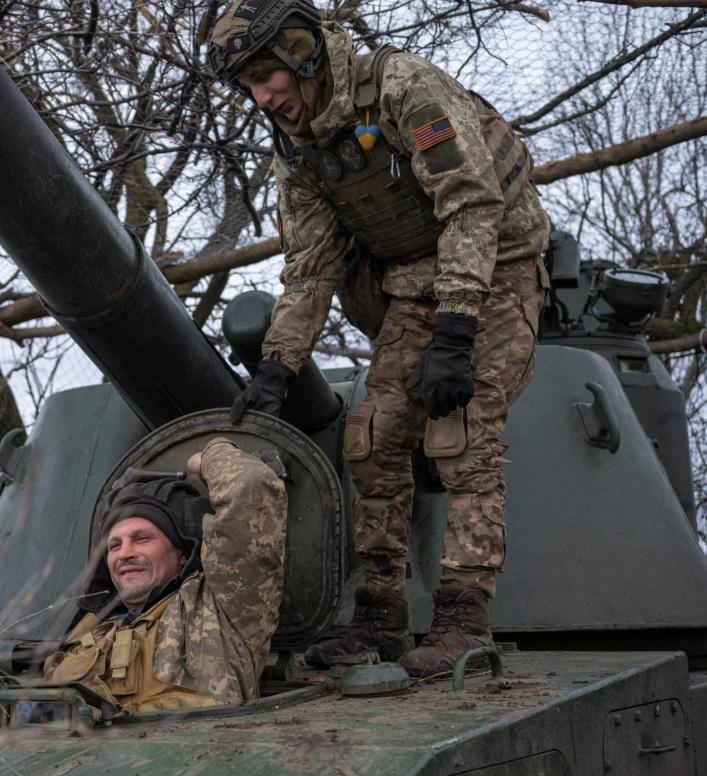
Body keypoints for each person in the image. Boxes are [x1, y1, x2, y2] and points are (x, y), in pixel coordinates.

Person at [208, 0, 551, 677]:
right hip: (412, 280)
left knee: (465, 429)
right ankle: (378, 613)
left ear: (300, 52)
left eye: (263, 77)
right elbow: (310, 264)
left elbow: (470, 202)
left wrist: (455, 330)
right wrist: (278, 364)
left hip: (497, 264)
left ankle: (462, 616)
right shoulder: (299, 146)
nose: (260, 97)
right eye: (245, 86)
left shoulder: (402, 89)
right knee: (373, 434)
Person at [43, 437, 287, 711]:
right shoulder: (84, 632)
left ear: (182, 554)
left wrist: (207, 457)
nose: (125, 553)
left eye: (142, 538)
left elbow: (249, 485)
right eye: (114, 545)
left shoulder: (220, 609)